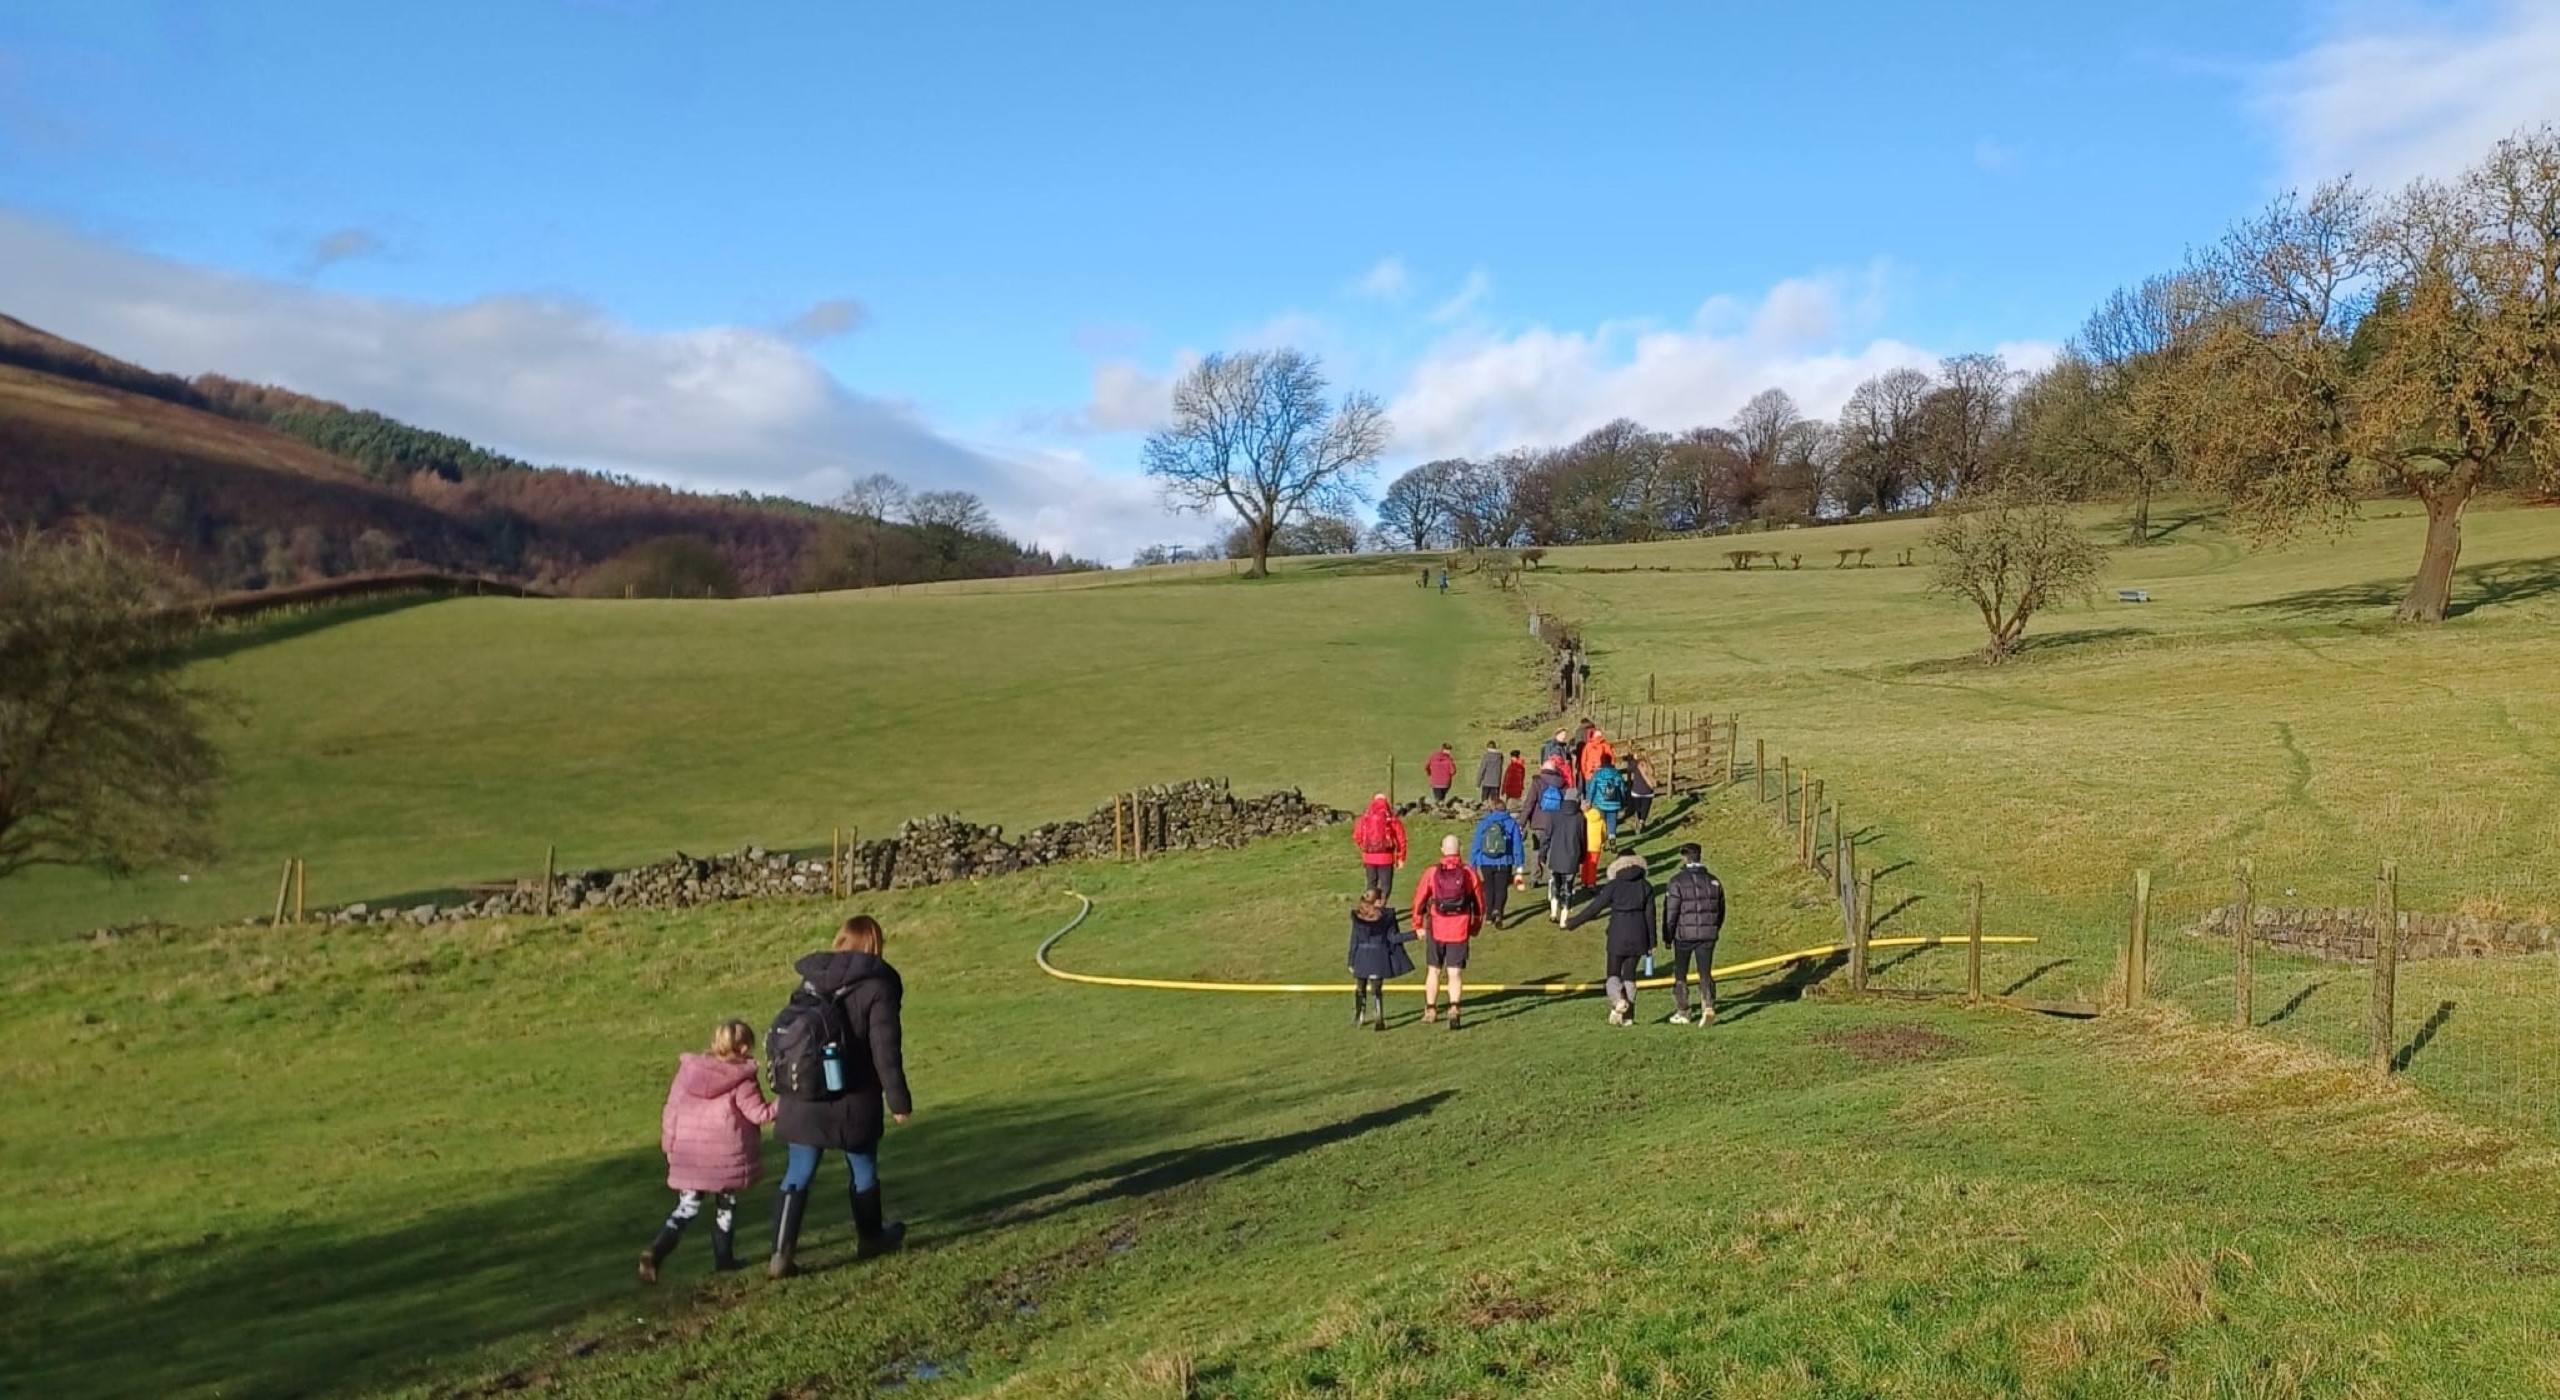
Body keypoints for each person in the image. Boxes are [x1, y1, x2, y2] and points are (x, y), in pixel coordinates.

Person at [769, 916, 912, 1278]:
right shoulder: (880, 985)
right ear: (875, 945)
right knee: (862, 1167)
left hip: (804, 1094)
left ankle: (779, 1256)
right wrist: (899, 1101)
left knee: (798, 1172)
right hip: (855, 1094)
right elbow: (885, 1049)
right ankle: (871, 1238)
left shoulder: (811, 977)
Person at [641, 1019, 777, 1283]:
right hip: (724, 1158)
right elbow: (759, 1114)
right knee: (726, 1204)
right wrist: (787, 1103)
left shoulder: (689, 1072)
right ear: (745, 1046)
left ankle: (656, 1250)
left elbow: (672, 1110)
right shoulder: (743, 1080)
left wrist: (669, 1145)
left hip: (690, 1155)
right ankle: (724, 1258)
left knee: (687, 1206)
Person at [1568, 853, 1657, 1026]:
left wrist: (1574, 922)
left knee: (1613, 973)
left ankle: (1617, 1002)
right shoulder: (1645, 886)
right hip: (1639, 934)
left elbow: (1595, 908)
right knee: (1630, 976)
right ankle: (1629, 1016)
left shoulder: (1613, 885)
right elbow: (1650, 916)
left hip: (1617, 933)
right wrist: (1652, 942)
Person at [1409, 834, 1487, 1029]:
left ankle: (1431, 1009)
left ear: (1442, 850)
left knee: (1433, 971)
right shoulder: (1469, 873)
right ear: (1459, 849)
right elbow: (1479, 904)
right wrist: (1475, 927)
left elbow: (1419, 900)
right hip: (1459, 929)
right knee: (1455, 973)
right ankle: (1454, 1007)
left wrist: (1417, 924)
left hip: (1436, 927)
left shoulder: (1431, 873)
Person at [1660, 843, 1727, 1026]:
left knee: (1680, 974)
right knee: (1705, 973)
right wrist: (1714, 928)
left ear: (1685, 857)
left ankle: (1683, 1010)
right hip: (1708, 935)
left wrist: (1667, 936)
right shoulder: (1714, 881)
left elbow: (1671, 912)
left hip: (1684, 936)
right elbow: (1720, 910)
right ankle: (1708, 1005)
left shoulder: (1676, 882)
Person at [1347, 887, 1415, 1031]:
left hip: (1361, 956)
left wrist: (1351, 961)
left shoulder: (1358, 917)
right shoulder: (1387, 917)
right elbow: (1394, 938)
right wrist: (1414, 934)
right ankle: (1379, 1018)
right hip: (1379, 956)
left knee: (1360, 988)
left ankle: (1360, 1015)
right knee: (1377, 990)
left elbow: (1354, 941)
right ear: (1377, 901)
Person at [1468, 799, 1525, 925]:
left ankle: (1488, 916)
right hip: (1504, 862)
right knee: (1501, 888)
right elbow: (1517, 845)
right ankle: (1498, 910)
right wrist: (1519, 864)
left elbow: (1476, 844)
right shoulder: (1511, 823)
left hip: (1486, 861)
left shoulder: (1484, 822)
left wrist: (1472, 865)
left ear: (1493, 809)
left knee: (1489, 888)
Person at [1545, 787, 1589, 925]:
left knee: (1555, 885)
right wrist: (1582, 857)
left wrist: (1543, 852)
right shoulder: (1580, 818)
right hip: (1571, 856)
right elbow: (1582, 839)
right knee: (1567, 888)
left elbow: (1547, 835)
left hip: (1555, 855)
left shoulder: (1555, 814)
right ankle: (1564, 921)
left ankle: (1553, 913)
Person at [1352, 794, 1407, 898]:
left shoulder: (1365, 818)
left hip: (1369, 857)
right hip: (1386, 857)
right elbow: (1401, 839)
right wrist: (1400, 858)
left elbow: (1357, 836)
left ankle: (1369, 908)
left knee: (1371, 885)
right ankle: (1381, 907)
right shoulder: (1390, 818)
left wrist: (1364, 848)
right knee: (1385, 886)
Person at [1585, 750, 1627, 841]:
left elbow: (1592, 789)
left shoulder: (1597, 774)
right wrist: (1623, 801)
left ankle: (1603, 839)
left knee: (1602, 821)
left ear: (1601, 761)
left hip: (1600, 802)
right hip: (1614, 801)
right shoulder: (1616, 773)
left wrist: (1589, 801)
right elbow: (1622, 789)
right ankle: (1612, 836)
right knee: (1612, 820)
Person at [1624, 753, 1657, 835]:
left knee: (1638, 808)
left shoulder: (1636, 765)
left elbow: (1628, 769)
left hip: (1637, 791)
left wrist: (1633, 760)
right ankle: (1642, 822)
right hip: (1648, 791)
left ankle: (1638, 822)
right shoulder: (1649, 764)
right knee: (1645, 808)